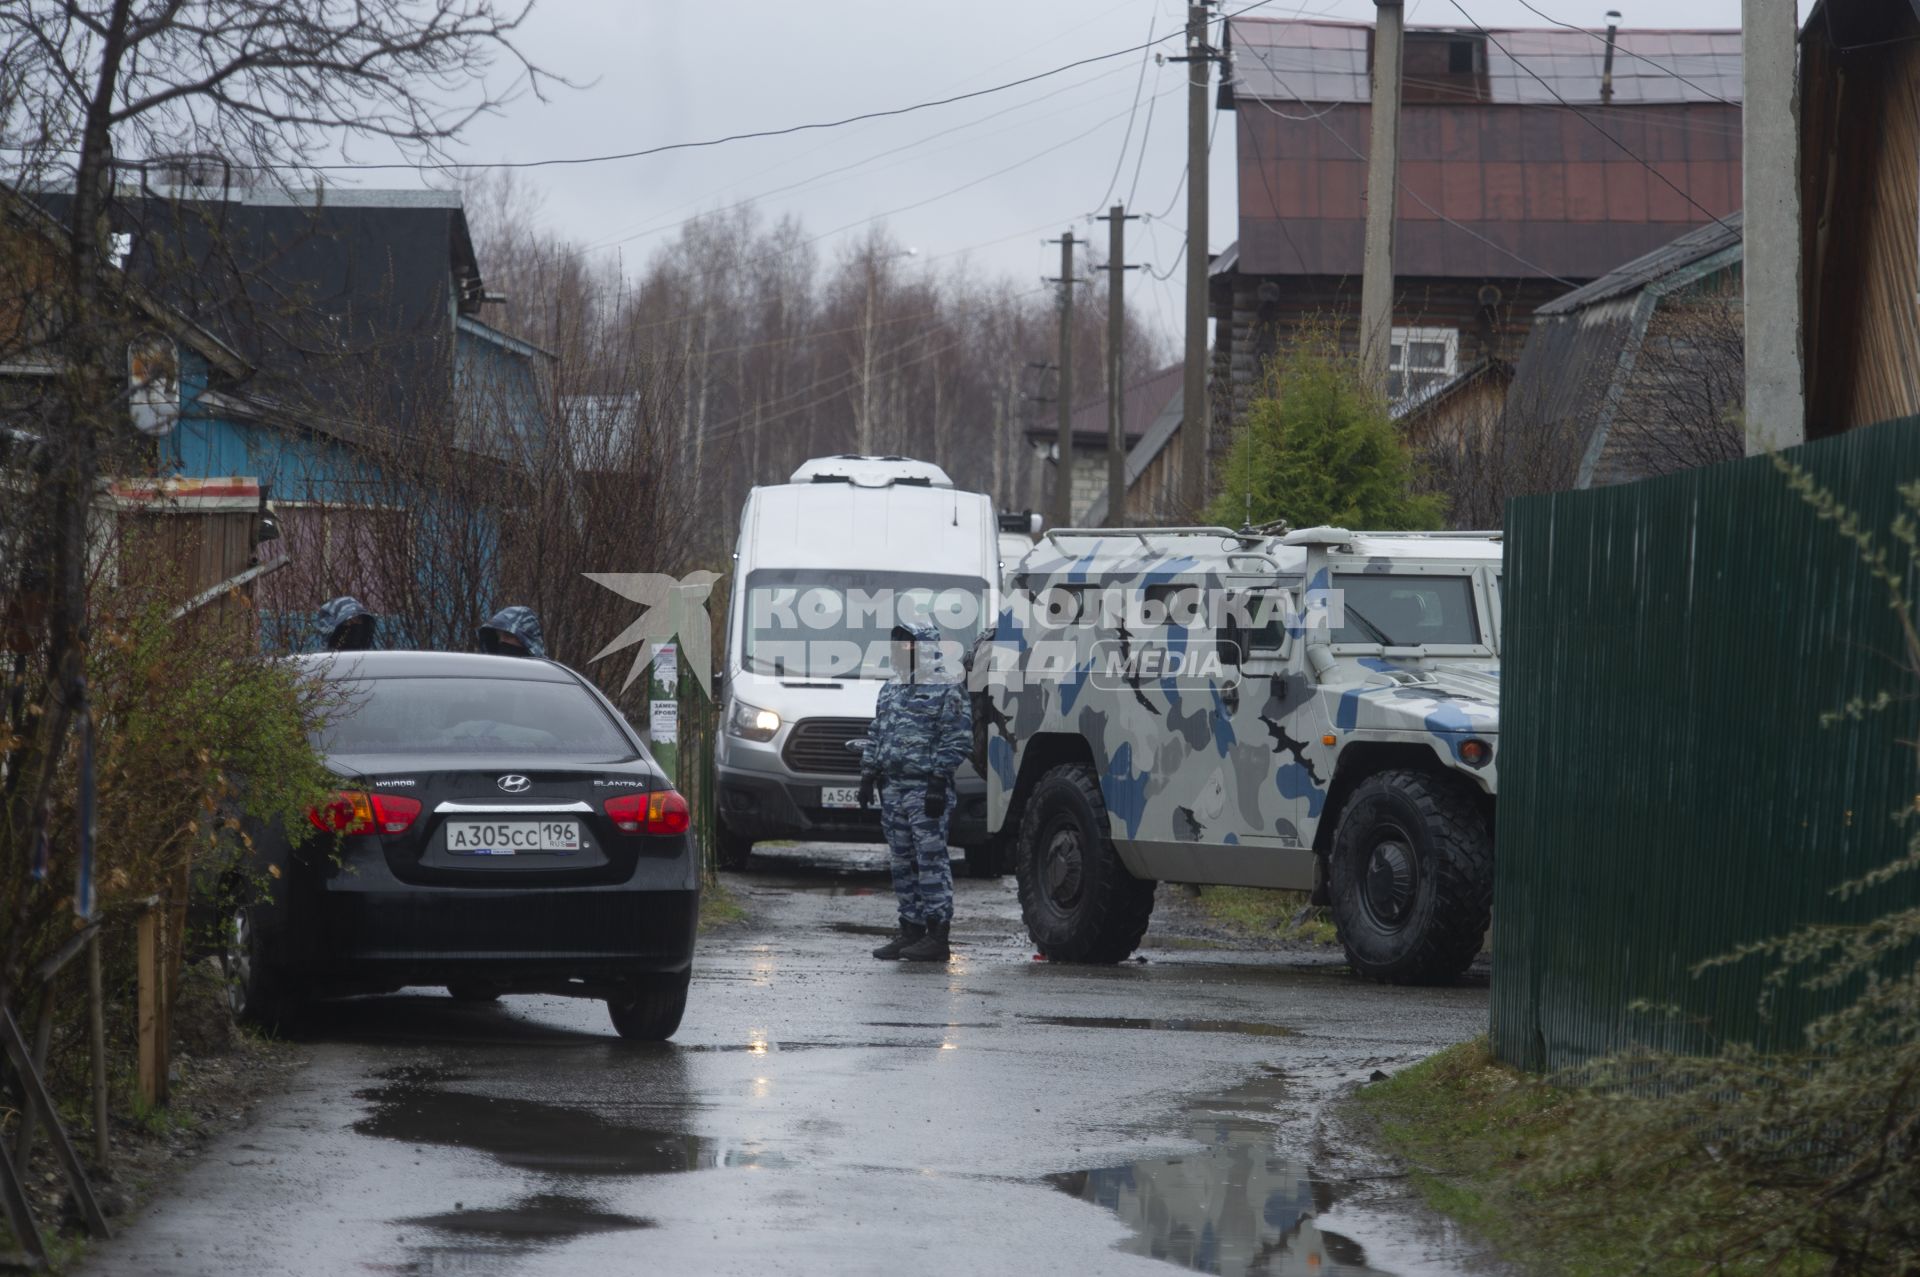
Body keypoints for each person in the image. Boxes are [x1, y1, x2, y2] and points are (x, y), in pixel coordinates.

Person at [861, 622, 972, 962]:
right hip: (893, 788)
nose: (899, 651)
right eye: (897, 645)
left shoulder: (946, 688)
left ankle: (938, 935)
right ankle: (911, 929)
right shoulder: (892, 688)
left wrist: (939, 779)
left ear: (923, 647)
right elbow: (878, 730)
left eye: (907, 645)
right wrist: (868, 773)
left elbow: (958, 736)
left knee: (930, 862)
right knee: (901, 862)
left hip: (925, 790)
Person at [476, 606, 546, 658]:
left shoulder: (546, 674)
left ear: (525, 641)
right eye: (498, 636)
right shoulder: (489, 672)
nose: (501, 641)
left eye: (508, 636)